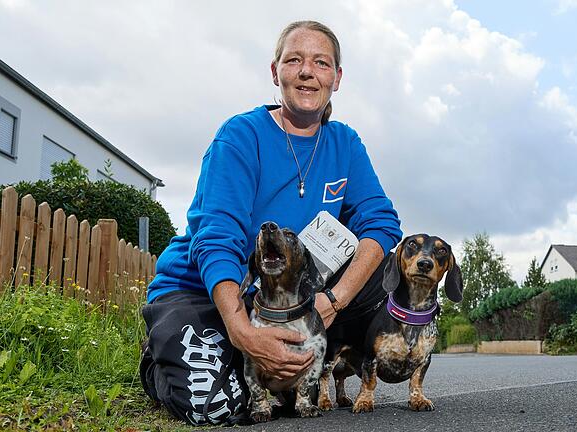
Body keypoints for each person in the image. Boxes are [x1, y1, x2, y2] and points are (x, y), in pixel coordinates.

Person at [139, 20, 402, 426]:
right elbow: (217, 238)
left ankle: (327, 357)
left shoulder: (345, 143)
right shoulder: (241, 136)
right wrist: (244, 333)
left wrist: (331, 303)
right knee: (215, 405)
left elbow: (382, 223)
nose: (306, 71)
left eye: (321, 62)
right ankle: (164, 359)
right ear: (275, 71)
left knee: (383, 265)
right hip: (208, 294)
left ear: (337, 77)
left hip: (292, 299)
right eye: (294, 60)